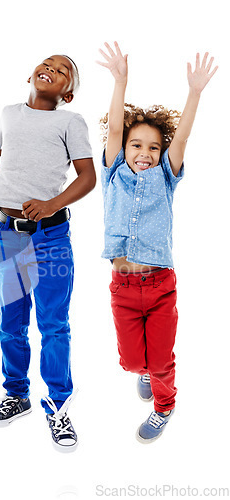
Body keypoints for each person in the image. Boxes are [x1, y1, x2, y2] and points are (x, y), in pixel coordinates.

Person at [97, 42, 217, 443]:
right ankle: (146, 370)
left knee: (163, 361)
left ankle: (165, 406)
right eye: (137, 145)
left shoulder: (166, 176)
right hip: (124, 288)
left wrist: (194, 93)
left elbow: (180, 138)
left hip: (161, 284)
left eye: (153, 147)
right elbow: (115, 127)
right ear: (124, 149)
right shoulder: (114, 173)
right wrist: (120, 81)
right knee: (133, 363)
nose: (144, 153)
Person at [0, 54, 96, 452]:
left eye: (64, 70)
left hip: (51, 237)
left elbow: (88, 176)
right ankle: (17, 395)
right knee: (10, 320)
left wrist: (50, 204)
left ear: (68, 91)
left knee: (53, 323)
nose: (53, 69)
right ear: (30, 74)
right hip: (7, 235)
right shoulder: (8, 114)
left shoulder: (69, 121)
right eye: (47, 63)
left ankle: (58, 406)